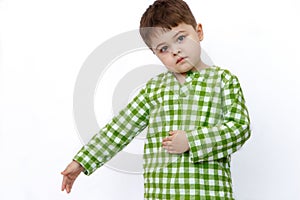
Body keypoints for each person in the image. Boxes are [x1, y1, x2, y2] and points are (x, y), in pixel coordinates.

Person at [61, 0, 251, 199]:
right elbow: (120, 127)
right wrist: (82, 161)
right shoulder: (154, 89)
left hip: (209, 193)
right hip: (161, 193)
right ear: (155, 54)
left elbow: (240, 127)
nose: (175, 51)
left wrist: (192, 141)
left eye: (180, 38)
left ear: (199, 32)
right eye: (163, 49)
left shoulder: (223, 80)